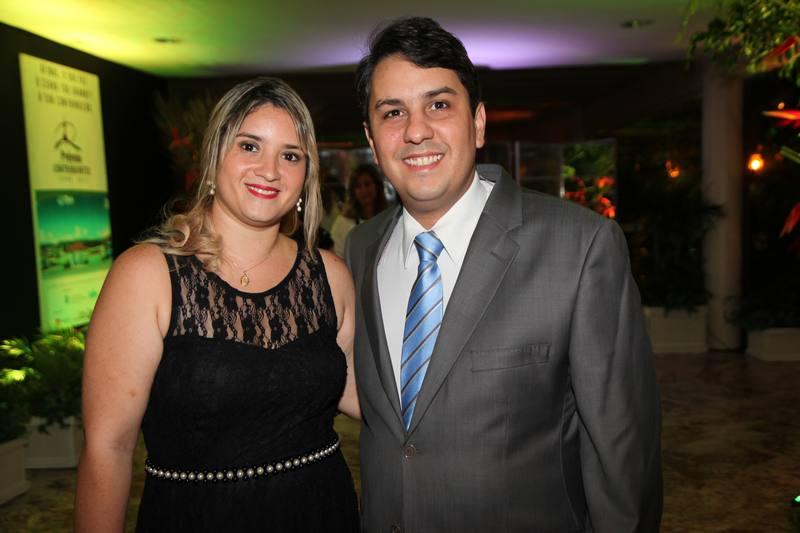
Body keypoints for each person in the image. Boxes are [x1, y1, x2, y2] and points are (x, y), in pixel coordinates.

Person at [345, 17, 662, 532]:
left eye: (438, 105)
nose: (416, 131)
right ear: (372, 138)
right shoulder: (360, 249)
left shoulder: (580, 247)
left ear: (478, 123)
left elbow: (622, 454)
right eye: (393, 112)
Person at [75, 77, 359, 532]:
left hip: (322, 514)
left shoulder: (330, 275)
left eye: (290, 155)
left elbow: (367, 396)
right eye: (249, 146)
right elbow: (108, 448)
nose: (270, 170)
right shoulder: (147, 275)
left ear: (306, 176)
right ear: (213, 158)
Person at [330, 163, 388, 257]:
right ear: (353, 191)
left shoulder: (389, 218)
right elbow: (336, 256)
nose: (363, 190)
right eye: (358, 186)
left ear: (377, 186)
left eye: (367, 184)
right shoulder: (343, 222)